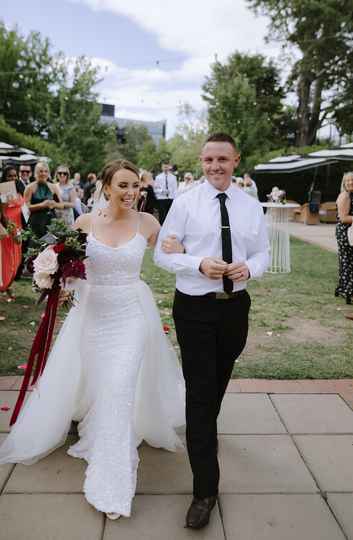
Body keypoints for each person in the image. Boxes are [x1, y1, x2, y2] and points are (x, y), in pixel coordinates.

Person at [0, 159, 185, 520]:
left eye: (136, 186)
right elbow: (46, 250)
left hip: (132, 315)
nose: (132, 192)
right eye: (124, 186)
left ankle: (111, 481)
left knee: (119, 387)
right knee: (103, 385)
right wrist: (52, 275)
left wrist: (184, 250)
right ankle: (98, 427)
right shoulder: (84, 223)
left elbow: (172, 253)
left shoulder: (149, 223)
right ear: (106, 187)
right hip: (93, 316)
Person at [154, 133, 269, 530]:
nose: (215, 166)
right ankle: (205, 490)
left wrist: (250, 268)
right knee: (201, 395)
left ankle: (203, 430)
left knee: (216, 384)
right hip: (194, 310)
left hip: (236, 310)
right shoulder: (185, 204)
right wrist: (197, 264)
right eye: (208, 160)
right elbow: (162, 255)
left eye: (222, 159)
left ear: (236, 160)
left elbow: (263, 252)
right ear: (201, 163)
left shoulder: (252, 207)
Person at [24, 161, 63, 238]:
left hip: (51, 221)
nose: (43, 173)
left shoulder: (53, 187)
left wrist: (54, 204)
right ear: (36, 173)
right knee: (36, 246)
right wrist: (42, 205)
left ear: (48, 173)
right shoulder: (30, 187)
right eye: (41, 171)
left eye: (46, 171)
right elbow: (26, 208)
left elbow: (61, 205)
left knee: (51, 247)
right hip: (36, 222)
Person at [335, 171, 353, 304]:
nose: (350, 182)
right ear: (344, 183)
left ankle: (344, 289)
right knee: (347, 260)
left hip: (349, 231)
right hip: (346, 232)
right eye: (347, 181)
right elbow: (343, 218)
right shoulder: (345, 196)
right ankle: (347, 290)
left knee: (346, 260)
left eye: (352, 180)